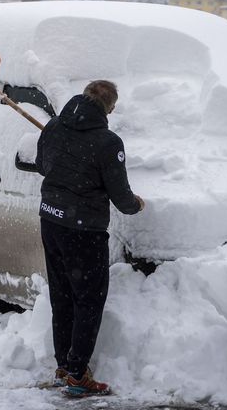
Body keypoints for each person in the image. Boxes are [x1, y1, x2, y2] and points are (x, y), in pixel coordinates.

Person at [35, 80, 145, 398]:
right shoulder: (108, 142)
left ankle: (63, 367)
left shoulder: (54, 126)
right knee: (89, 300)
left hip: (50, 220)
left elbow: (42, 166)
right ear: (110, 107)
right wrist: (136, 205)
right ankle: (77, 375)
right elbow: (121, 196)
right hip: (83, 230)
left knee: (62, 295)